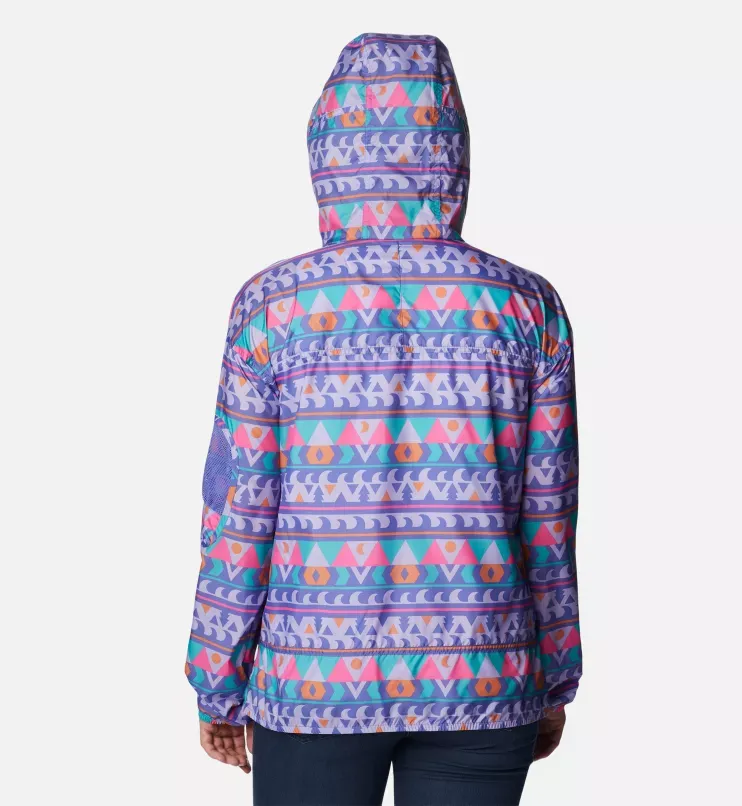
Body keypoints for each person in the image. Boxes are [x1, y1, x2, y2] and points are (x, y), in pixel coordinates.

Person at [184, 31, 581, 806]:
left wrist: (218, 676)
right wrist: (552, 671)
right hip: (485, 669)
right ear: (453, 149)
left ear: (326, 147)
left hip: (313, 677)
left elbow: (238, 509)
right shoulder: (527, 306)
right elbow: (549, 514)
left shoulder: (273, 307)